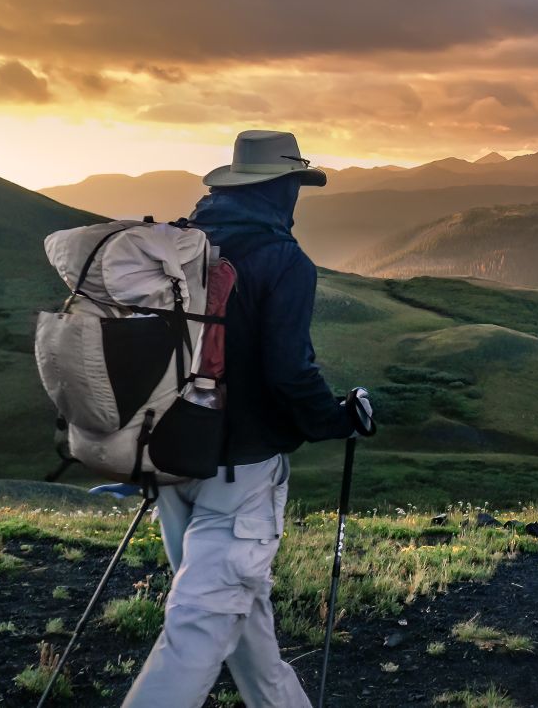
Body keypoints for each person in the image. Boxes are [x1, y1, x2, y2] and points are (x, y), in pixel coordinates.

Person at [123, 130, 372, 708]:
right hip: (240, 473)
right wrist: (338, 420)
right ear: (281, 188)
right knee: (199, 626)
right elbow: (289, 370)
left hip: (172, 455)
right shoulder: (282, 260)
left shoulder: (183, 244)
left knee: (240, 609)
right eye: (295, 185)